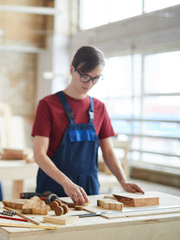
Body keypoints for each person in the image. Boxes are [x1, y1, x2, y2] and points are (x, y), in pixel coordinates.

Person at [32, 46, 144, 206]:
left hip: (89, 189)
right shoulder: (48, 105)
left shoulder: (100, 108)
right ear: (72, 69)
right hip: (54, 188)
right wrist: (66, 183)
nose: (90, 83)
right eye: (85, 76)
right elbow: (39, 155)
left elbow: (108, 152)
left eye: (96, 78)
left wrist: (123, 181)